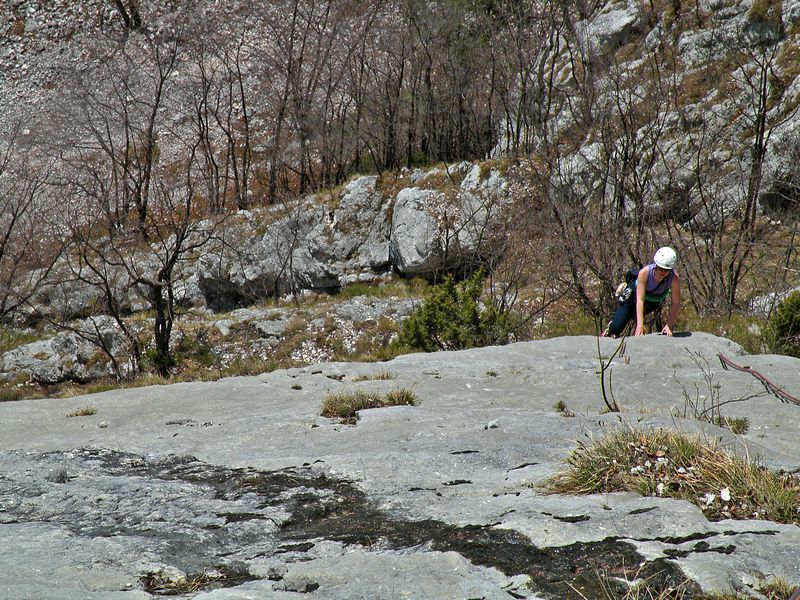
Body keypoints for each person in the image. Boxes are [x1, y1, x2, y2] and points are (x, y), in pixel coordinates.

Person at [602, 247, 681, 338]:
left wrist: (669, 325)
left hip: (653, 301)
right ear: (656, 265)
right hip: (633, 297)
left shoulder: (674, 278)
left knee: (634, 317)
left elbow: (676, 302)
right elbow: (640, 299)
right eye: (660, 268)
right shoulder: (645, 273)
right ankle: (610, 328)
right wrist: (640, 325)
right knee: (617, 327)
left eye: (666, 270)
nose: (662, 272)